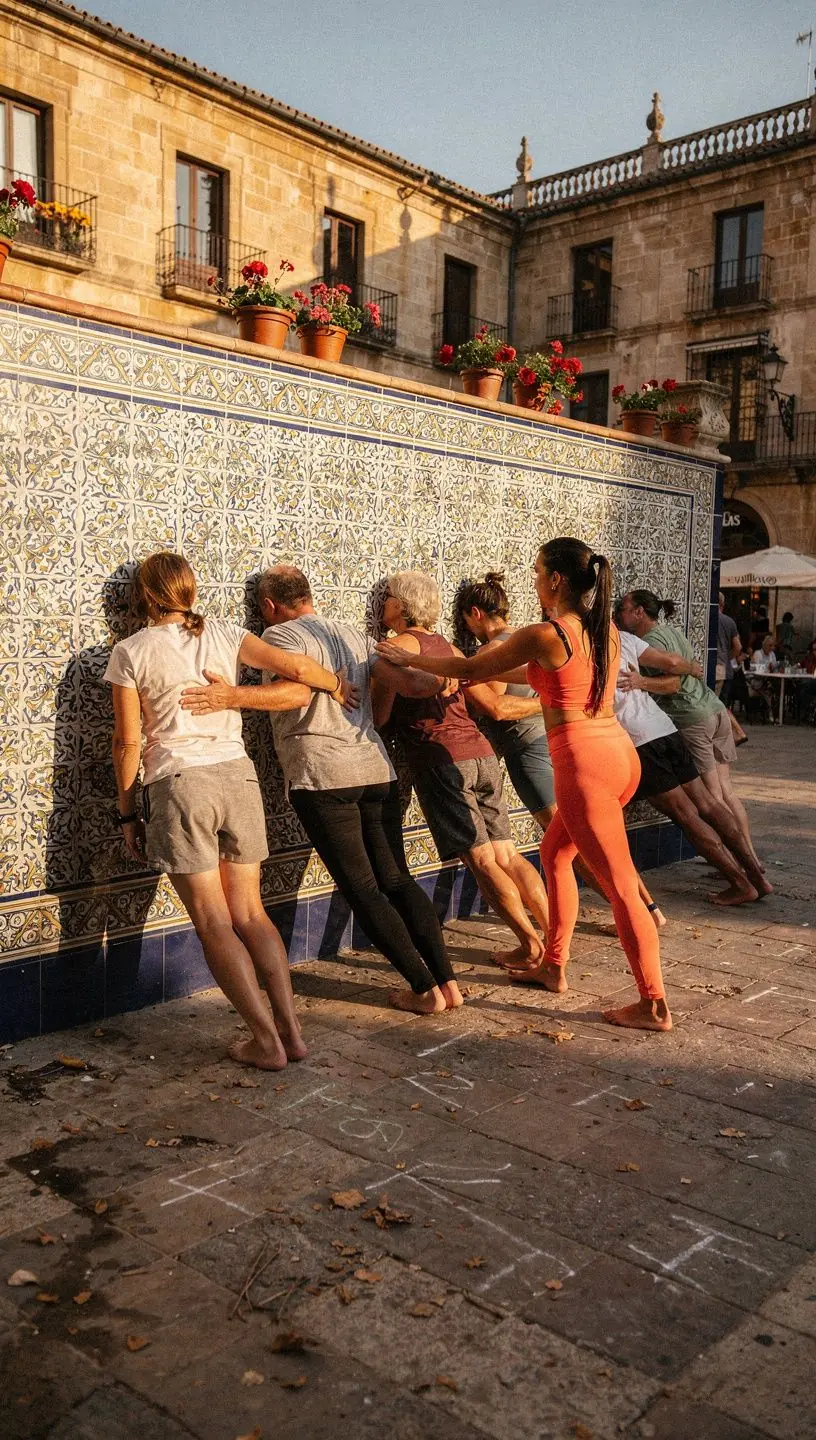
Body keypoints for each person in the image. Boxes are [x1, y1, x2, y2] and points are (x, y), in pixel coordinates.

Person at [378, 539, 673, 1033]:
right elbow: (534, 674)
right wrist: (464, 673)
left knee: (621, 886)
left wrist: (408, 660)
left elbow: (471, 668)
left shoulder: (546, 632)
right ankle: (553, 964)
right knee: (556, 855)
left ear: (556, 580)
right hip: (617, 755)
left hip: (585, 766)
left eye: (537, 571)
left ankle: (654, 1002)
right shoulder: (603, 631)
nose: (533, 580)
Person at [106, 551, 358, 1071]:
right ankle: (291, 1033)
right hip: (238, 779)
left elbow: (127, 743)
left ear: (146, 597)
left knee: (213, 920)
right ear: (190, 591)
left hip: (180, 785)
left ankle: (265, 1042)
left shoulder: (130, 652)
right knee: (250, 912)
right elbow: (296, 668)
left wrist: (127, 811)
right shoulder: (223, 633)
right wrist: (334, 684)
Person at [182, 564, 464, 1015]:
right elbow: (408, 683)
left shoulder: (280, 637)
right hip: (375, 769)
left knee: (364, 889)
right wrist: (444, 677)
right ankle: (448, 983)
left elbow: (293, 694)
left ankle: (424, 989)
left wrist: (230, 696)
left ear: (270, 606)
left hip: (324, 776)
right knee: (396, 880)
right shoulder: (353, 634)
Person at [454, 571, 667, 932]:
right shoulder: (529, 640)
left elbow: (499, 708)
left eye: (464, 621)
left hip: (531, 754)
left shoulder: (493, 651)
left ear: (475, 614)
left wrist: (549, 703)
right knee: (599, 838)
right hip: (564, 747)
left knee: (579, 847)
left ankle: (627, 913)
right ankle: (649, 909)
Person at [374, 571, 552, 971]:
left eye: (387, 598)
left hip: (442, 761)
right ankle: (552, 935)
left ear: (401, 607)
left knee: (483, 861)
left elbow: (381, 716)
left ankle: (529, 946)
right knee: (507, 852)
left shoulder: (392, 650)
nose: (382, 604)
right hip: (482, 753)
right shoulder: (451, 647)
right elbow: (476, 691)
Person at [614, 621, 768, 905]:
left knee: (686, 814)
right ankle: (757, 877)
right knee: (708, 803)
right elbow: (672, 664)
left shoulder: (585, 648)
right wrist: (691, 669)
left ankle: (740, 884)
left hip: (639, 739)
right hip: (665, 728)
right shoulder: (624, 639)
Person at [716, 592, 748, 745]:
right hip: (725, 668)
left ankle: (738, 732)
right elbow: (738, 647)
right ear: (723, 604)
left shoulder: (707, 618)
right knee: (722, 703)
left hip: (715, 669)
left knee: (717, 704)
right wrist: (728, 657)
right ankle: (733, 733)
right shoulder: (729, 621)